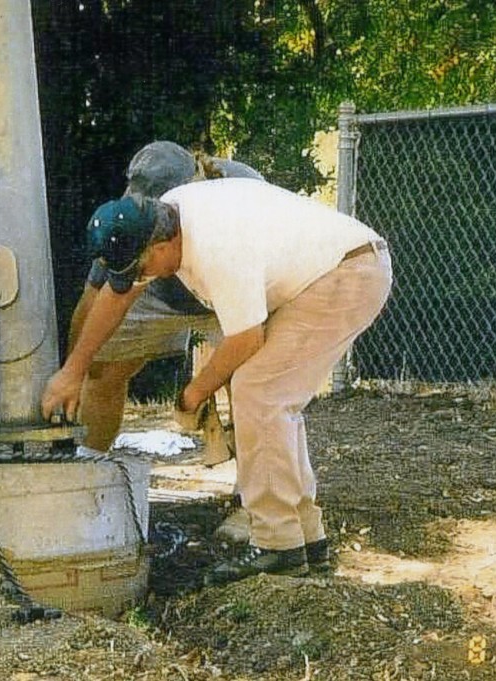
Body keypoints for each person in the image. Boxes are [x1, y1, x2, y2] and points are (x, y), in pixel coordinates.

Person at [41, 180, 392, 585]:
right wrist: (73, 371)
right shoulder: (159, 222)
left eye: (141, 268)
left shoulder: (216, 246)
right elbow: (116, 298)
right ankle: (305, 537)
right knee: (270, 397)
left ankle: (278, 545)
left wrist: (193, 394)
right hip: (336, 268)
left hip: (348, 272)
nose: (142, 280)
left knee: (260, 392)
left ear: (159, 247)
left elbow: (245, 338)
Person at [66, 141, 264, 453]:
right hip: (155, 292)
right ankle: (91, 469)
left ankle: (254, 483)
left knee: (249, 379)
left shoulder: (242, 190)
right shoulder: (130, 216)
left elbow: (252, 322)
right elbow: (94, 297)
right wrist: (71, 373)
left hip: (230, 291)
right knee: (103, 368)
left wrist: (197, 391)